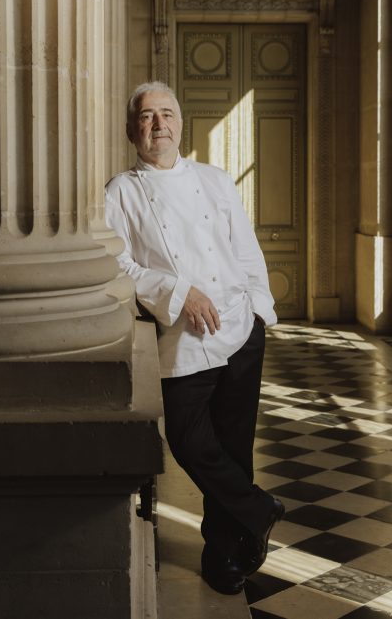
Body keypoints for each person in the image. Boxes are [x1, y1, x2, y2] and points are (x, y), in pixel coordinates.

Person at [105, 81, 284, 595]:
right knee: (186, 437)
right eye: (146, 116)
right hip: (182, 332)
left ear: (180, 124)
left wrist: (258, 312)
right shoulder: (121, 191)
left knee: (234, 443)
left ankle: (224, 552)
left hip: (239, 325)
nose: (157, 124)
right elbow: (119, 263)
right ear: (132, 129)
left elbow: (246, 250)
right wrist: (179, 290)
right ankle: (257, 509)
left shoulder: (216, 180)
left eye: (166, 114)